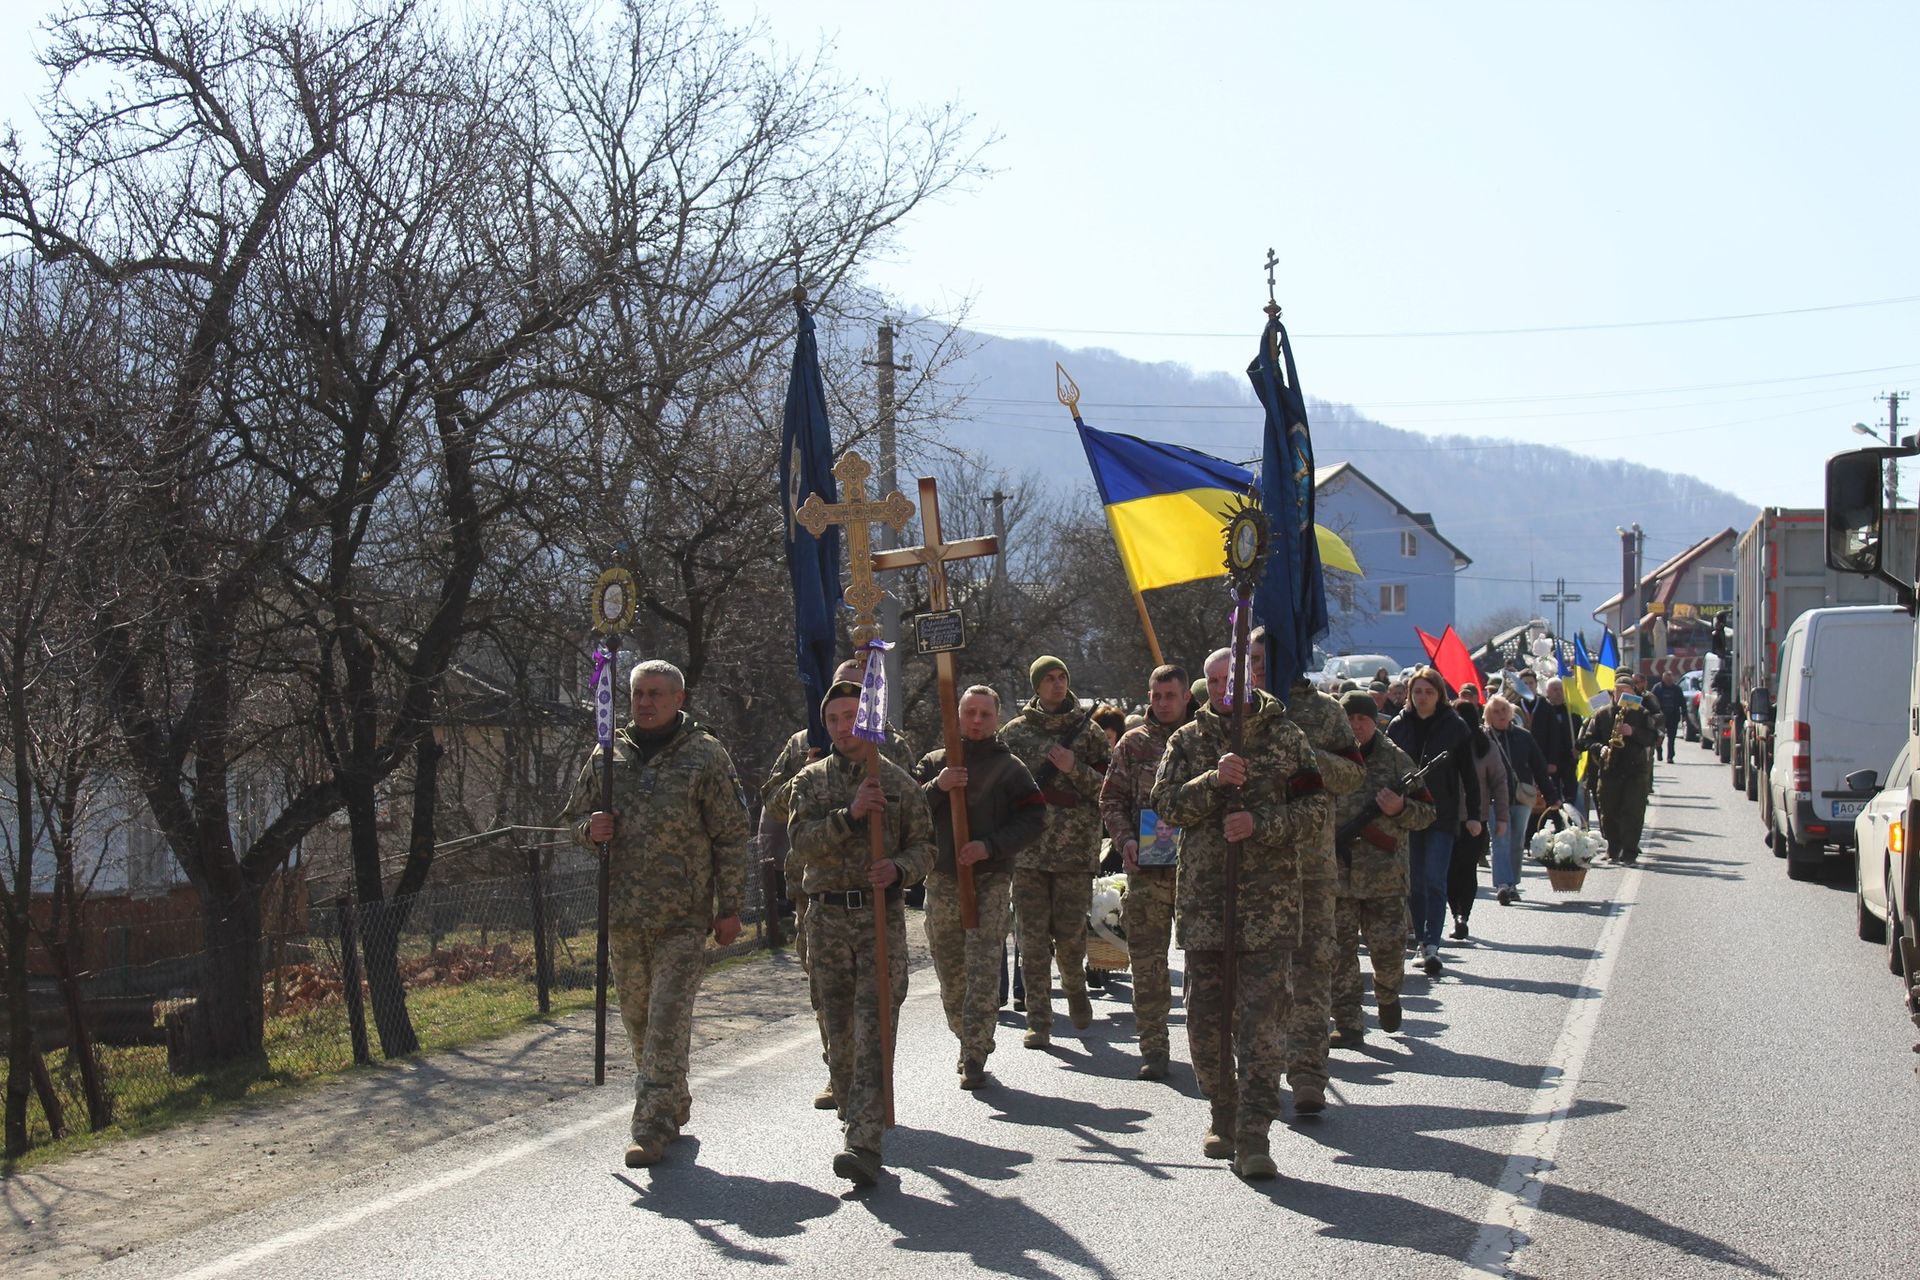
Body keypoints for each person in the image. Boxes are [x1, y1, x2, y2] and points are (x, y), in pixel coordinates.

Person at [1150, 647, 1329, 1181]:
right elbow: (1163, 806)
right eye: (1215, 682)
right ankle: (1220, 1113)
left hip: (1269, 911)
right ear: (1206, 687)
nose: (1227, 689)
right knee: (1206, 1026)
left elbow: (1316, 809)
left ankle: (1254, 1133)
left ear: (1251, 678)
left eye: (1235, 679)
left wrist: (1260, 824)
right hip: (1206, 908)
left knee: (1262, 1029)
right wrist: (1212, 781)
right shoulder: (1188, 740)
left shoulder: (1286, 737)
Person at [564, 659, 749, 1169]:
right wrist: (590, 830)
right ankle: (673, 1098)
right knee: (642, 1025)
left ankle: (650, 1127)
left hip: (683, 917)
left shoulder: (705, 756)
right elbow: (571, 820)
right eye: (638, 693)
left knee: (668, 1021)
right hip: (624, 916)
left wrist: (730, 907)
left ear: (678, 699)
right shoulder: (609, 754)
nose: (645, 702)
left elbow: (731, 834)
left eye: (656, 694)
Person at [786, 680, 936, 1185]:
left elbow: (925, 849)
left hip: (878, 921)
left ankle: (864, 1142)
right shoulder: (809, 782)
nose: (842, 727)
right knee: (839, 1032)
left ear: (869, 720)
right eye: (833, 719)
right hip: (826, 920)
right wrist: (848, 817)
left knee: (875, 1027)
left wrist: (897, 869)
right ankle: (855, 1113)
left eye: (851, 716)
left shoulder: (898, 784)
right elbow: (801, 844)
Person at [760, 656, 916, 1112]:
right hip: (814, 891)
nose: (847, 717)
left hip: (873, 895)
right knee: (827, 991)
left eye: (856, 696)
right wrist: (804, 775)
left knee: (875, 1001)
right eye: (837, 701)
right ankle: (838, 1069)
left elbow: (912, 808)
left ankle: (863, 1088)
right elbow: (773, 802)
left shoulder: (893, 747)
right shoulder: (802, 745)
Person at [1250, 628, 1364, 1117]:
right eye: (1247, 658)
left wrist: (1305, 759)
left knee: (1313, 969)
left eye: (1259, 657)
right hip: (1254, 867)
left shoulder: (1323, 711)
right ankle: (1260, 1070)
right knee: (1262, 977)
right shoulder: (1237, 714)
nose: (1252, 666)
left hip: (1311, 864)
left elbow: (1353, 773)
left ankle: (1308, 1075)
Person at [916, 685, 1044, 1090]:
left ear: (997, 718)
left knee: (983, 968)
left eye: (984, 714)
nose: (975, 721)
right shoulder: (935, 763)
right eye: (969, 713)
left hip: (989, 881)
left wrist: (989, 847)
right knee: (950, 971)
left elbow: (1034, 820)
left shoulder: (1010, 769)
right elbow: (908, 812)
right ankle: (962, 1034)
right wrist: (939, 787)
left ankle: (976, 1049)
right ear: (957, 716)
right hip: (941, 881)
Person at [999, 655, 1112, 1048]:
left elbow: (1109, 791)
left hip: (1075, 853)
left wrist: (1073, 766)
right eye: (1048, 678)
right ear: (1036, 685)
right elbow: (1000, 790)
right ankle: (1039, 1018)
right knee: (1030, 941)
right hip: (1028, 852)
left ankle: (1075, 986)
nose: (1057, 683)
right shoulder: (1014, 734)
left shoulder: (1091, 733)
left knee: (1069, 937)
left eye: (1062, 676)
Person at [1098, 663, 1190, 1080]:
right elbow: (1111, 800)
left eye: (1171, 695)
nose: (1163, 703)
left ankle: (1214, 1042)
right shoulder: (1133, 745)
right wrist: (1125, 842)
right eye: (1156, 695)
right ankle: (1153, 1046)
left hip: (1197, 871)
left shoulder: (1204, 740)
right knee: (1148, 962)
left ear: (1186, 697)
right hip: (1148, 870)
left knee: (1207, 965)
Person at [1329, 691, 1435, 1045]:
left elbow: (1427, 814)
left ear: (1375, 722)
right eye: (1351, 719)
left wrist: (1399, 810)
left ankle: (1388, 995)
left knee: (1388, 952)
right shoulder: (1330, 759)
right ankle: (1348, 1021)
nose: (1357, 726)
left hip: (1384, 876)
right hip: (1338, 876)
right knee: (1339, 955)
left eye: (1363, 719)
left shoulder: (1396, 761)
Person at [1387, 667, 1481, 976]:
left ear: (1439, 694)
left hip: (1443, 813)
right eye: (1417, 692)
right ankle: (1419, 938)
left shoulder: (1455, 727)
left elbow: (1469, 774)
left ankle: (1431, 944)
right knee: (1414, 881)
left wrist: (1475, 815)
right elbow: (1384, 769)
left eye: (1429, 692)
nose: (1422, 698)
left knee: (1434, 878)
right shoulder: (1398, 727)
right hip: (1406, 812)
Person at [1485, 695, 1555, 905]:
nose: (1501, 715)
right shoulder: (1483, 738)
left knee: (1517, 841)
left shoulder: (1524, 737)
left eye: (1504, 710)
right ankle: (1503, 885)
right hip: (1494, 798)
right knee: (1499, 840)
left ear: (1511, 713)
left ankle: (1513, 883)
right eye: (1495, 711)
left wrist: (1551, 796)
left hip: (1521, 797)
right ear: (1488, 715)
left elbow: (1539, 767)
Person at [1449, 698, 1507, 943]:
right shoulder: (1447, 743)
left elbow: (1499, 782)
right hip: (1446, 818)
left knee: (1465, 868)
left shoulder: (1485, 747)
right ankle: (1457, 914)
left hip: (1475, 818)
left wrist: (1502, 817)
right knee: (1452, 870)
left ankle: (1462, 916)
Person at [1581, 690, 1657, 863]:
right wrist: (1600, 748)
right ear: (1613, 693)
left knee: (1633, 811)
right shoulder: (1602, 713)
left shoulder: (1642, 713)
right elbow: (1588, 739)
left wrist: (1634, 732)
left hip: (1635, 771)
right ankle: (1613, 848)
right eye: (1619, 691)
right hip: (1609, 770)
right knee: (1608, 811)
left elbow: (1653, 737)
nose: (1622, 695)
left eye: (1626, 691)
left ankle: (1630, 851)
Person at [1532, 677, 1582, 826]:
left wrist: (1578, 748)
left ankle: (1571, 821)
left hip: (1568, 760)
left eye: (1560, 689)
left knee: (1570, 793)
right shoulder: (1544, 712)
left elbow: (1581, 735)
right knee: (1552, 795)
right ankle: (1557, 821)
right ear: (1547, 692)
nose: (1558, 692)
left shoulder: (1572, 713)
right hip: (1550, 761)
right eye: (1554, 689)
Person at [1652, 670, 1686, 763]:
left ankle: (1670, 757)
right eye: (1667, 679)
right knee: (1659, 736)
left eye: (1670, 679)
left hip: (1673, 717)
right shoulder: (1657, 688)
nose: (1669, 681)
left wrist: (1684, 715)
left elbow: (1682, 703)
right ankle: (1659, 751)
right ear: (1663, 679)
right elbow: (1651, 701)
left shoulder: (1677, 689)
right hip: (1660, 717)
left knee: (1672, 738)